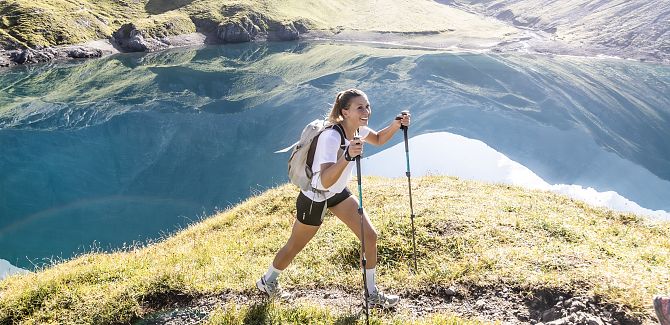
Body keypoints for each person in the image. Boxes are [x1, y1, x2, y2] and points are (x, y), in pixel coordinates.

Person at [257, 88, 411, 308]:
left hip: (336, 193)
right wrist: (348, 156)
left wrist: (396, 125)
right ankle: (267, 281)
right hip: (315, 197)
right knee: (295, 246)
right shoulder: (331, 137)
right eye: (360, 107)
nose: (366, 111)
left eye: (367, 106)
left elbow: (377, 138)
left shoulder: (358, 129)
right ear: (345, 111)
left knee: (370, 236)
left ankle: (371, 294)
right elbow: (326, 179)